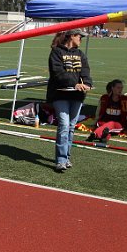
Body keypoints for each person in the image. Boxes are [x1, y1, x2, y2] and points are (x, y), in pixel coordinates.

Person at [46, 29, 92, 172]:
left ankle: (66, 157)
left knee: (71, 127)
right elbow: (57, 74)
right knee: (64, 125)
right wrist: (74, 84)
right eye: (79, 37)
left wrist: (87, 84)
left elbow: (85, 71)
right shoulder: (56, 52)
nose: (81, 40)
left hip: (77, 96)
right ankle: (60, 160)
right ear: (72, 36)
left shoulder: (80, 54)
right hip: (60, 94)